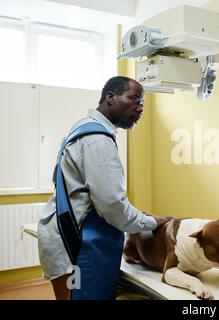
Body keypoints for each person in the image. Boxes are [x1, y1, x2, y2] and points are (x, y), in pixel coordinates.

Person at [38, 76, 168, 300]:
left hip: (63, 237)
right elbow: (111, 205)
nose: (139, 108)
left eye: (143, 104)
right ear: (110, 97)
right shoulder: (98, 140)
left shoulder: (81, 127)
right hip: (75, 247)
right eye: (134, 99)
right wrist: (151, 222)